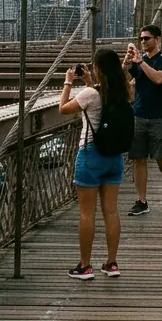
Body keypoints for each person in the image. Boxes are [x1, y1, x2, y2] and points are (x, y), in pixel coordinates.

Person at [60, 47, 132, 280]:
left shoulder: (90, 94)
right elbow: (103, 96)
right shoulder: (123, 90)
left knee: (86, 214)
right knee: (111, 211)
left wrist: (68, 83)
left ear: (99, 68)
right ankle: (111, 263)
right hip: (114, 157)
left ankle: (85, 266)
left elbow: (63, 109)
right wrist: (90, 80)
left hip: (91, 155)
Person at [126, 25, 162, 216]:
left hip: (161, 116)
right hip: (139, 115)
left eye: (147, 38)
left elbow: (158, 79)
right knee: (138, 158)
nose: (143, 42)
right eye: (141, 39)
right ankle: (142, 201)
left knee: (161, 159)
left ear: (157, 39)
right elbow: (124, 83)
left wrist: (141, 62)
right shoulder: (137, 62)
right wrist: (125, 64)